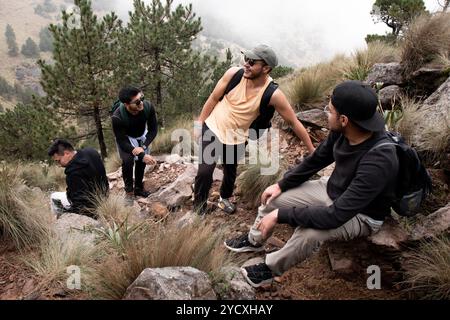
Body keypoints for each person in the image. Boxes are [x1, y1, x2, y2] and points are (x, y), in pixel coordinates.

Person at [224, 80, 400, 288]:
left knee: (309, 232)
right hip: (333, 189)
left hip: (362, 214)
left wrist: (281, 216)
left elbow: (336, 215)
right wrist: (282, 184)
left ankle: (270, 268)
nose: (326, 113)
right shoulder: (343, 132)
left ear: (344, 119)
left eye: (330, 110)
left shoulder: (380, 159)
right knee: (273, 198)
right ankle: (255, 240)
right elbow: (317, 160)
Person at [194, 44, 315, 215]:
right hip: (213, 126)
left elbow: (294, 122)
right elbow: (213, 98)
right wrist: (199, 124)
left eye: (252, 62)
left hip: (237, 136)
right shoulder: (233, 74)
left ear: (266, 68)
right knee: (205, 171)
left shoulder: (273, 94)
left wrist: (312, 151)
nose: (246, 64)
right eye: (246, 59)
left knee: (230, 168)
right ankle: (199, 209)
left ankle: (224, 197)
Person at [112, 86, 157, 198]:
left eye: (141, 98)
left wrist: (144, 147)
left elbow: (153, 130)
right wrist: (139, 152)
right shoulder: (117, 117)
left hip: (141, 135)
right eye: (137, 102)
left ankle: (138, 188)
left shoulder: (148, 107)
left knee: (141, 162)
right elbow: (121, 141)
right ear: (127, 104)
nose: (141, 102)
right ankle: (129, 191)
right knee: (127, 161)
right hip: (126, 139)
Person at [48, 139, 109, 218]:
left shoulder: (73, 173)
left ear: (66, 153)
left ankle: (60, 222)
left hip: (90, 208)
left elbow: (79, 204)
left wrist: (67, 213)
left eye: (58, 161)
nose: (59, 165)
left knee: (54, 196)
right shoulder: (92, 151)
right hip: (104, 196)